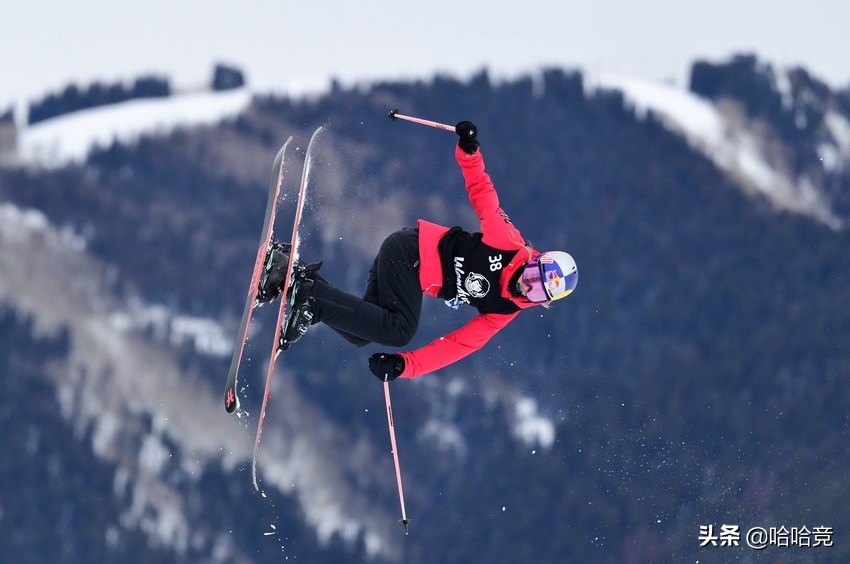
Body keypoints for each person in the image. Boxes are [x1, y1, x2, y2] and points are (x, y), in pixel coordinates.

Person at [257, 121, 578, 381]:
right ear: (535, 260)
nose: (527, 286)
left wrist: (403, 366)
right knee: (398, 331)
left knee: (360, 332)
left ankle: (290, 276)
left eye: (538, 292)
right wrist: (470, 153)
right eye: (533, 276)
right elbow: (483, 194)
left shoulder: (503, 310)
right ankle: (308, 299)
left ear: (543, 302)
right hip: (411, 252)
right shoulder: (508, 243)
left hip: (407, 266)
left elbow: (457, 346)